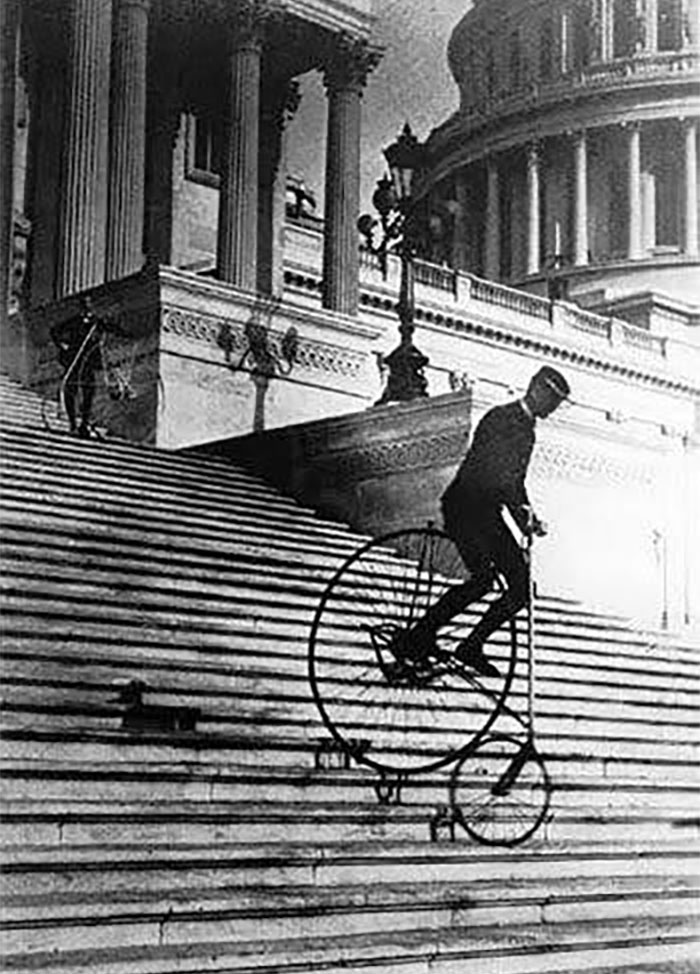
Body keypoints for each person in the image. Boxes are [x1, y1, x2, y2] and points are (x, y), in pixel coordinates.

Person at [410, 365, 570, 678]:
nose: (554, 408)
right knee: (482, 580)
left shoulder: (526, 427)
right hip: (465, 509)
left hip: (488, 513)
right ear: (536, 389)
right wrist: (522, 516)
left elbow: (515, 481)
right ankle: (420, 634)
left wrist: (528, 515)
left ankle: (471, 646)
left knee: (522, 588)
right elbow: (500, 478)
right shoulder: (502, 419)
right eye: (552, 399)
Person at [50, 298, 103, 438]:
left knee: (89, 393)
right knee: (70, 391)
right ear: (81, 307)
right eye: (84, 304)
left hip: (88, 363)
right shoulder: (74, 322)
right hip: (74, 360)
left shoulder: (97, 322)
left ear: (92, 306)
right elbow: (55, 331)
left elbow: (113, 328)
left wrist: (130, 334)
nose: (86, 307)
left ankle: (84, 424)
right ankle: (72, 423)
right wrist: (62, 345)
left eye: (89, 304)